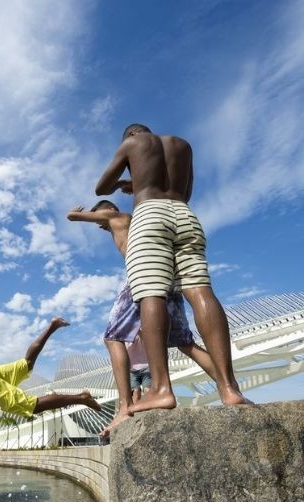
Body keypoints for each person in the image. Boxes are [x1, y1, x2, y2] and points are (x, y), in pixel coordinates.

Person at [94, 124, 249, 413]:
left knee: (151, 292)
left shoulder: (133, 143)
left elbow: (101, 187)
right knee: (200, 289)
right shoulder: (182, 145)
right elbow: (185, 192)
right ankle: (229, 388)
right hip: (185, 215)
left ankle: (162, 389)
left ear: (131, 135)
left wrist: (124, 183)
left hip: (150, 214)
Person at [68, 201, 220, 434]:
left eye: (98, 215)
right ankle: (228, 385)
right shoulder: (134, 222)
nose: (99, 223)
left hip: (143, 277)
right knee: (186, 343)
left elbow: (72, 217)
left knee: (112, 338)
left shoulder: (115, 216)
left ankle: (125, 407)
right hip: (167, 276)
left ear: (106, 209)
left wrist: (79, 213)